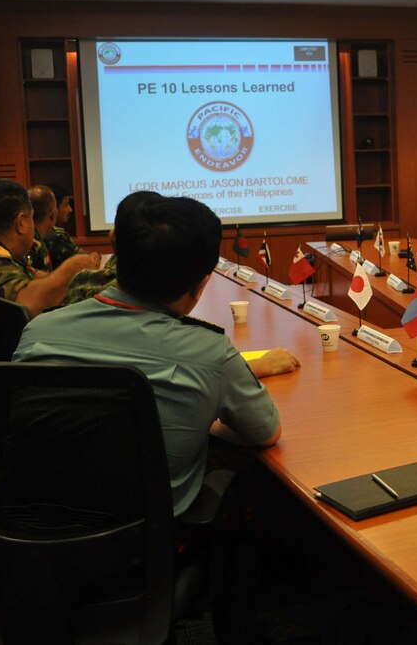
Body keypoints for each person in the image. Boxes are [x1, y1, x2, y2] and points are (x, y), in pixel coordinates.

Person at [15, 194, 296, 513]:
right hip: (146, 530)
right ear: (202, 284)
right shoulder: (210, 353)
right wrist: (206, 422)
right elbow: (266, 433)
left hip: (34, 516)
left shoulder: (38, 331)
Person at [0, 179, 100, 318]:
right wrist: (71, 269)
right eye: (32, 218)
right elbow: (27, 304)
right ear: (21, 222)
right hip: (15, 347)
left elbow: (34, 276)